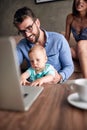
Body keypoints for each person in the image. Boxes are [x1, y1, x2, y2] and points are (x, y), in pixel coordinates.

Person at [13, 6, 74, 83]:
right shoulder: (21, 45)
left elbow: (69, 66)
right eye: (22, 31)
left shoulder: (59, 40)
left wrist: (60, 77)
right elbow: (11, 66)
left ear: (37, 23)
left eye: (29, 28)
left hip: (54, 84)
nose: (27, 34)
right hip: (34, 85)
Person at [65, 0, 87, 78]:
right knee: (68, 51)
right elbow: (66, 39)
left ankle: (85, 80)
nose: (80, 1)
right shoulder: (70, 17)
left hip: (83, 46)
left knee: (81, 44)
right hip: (82, 50)